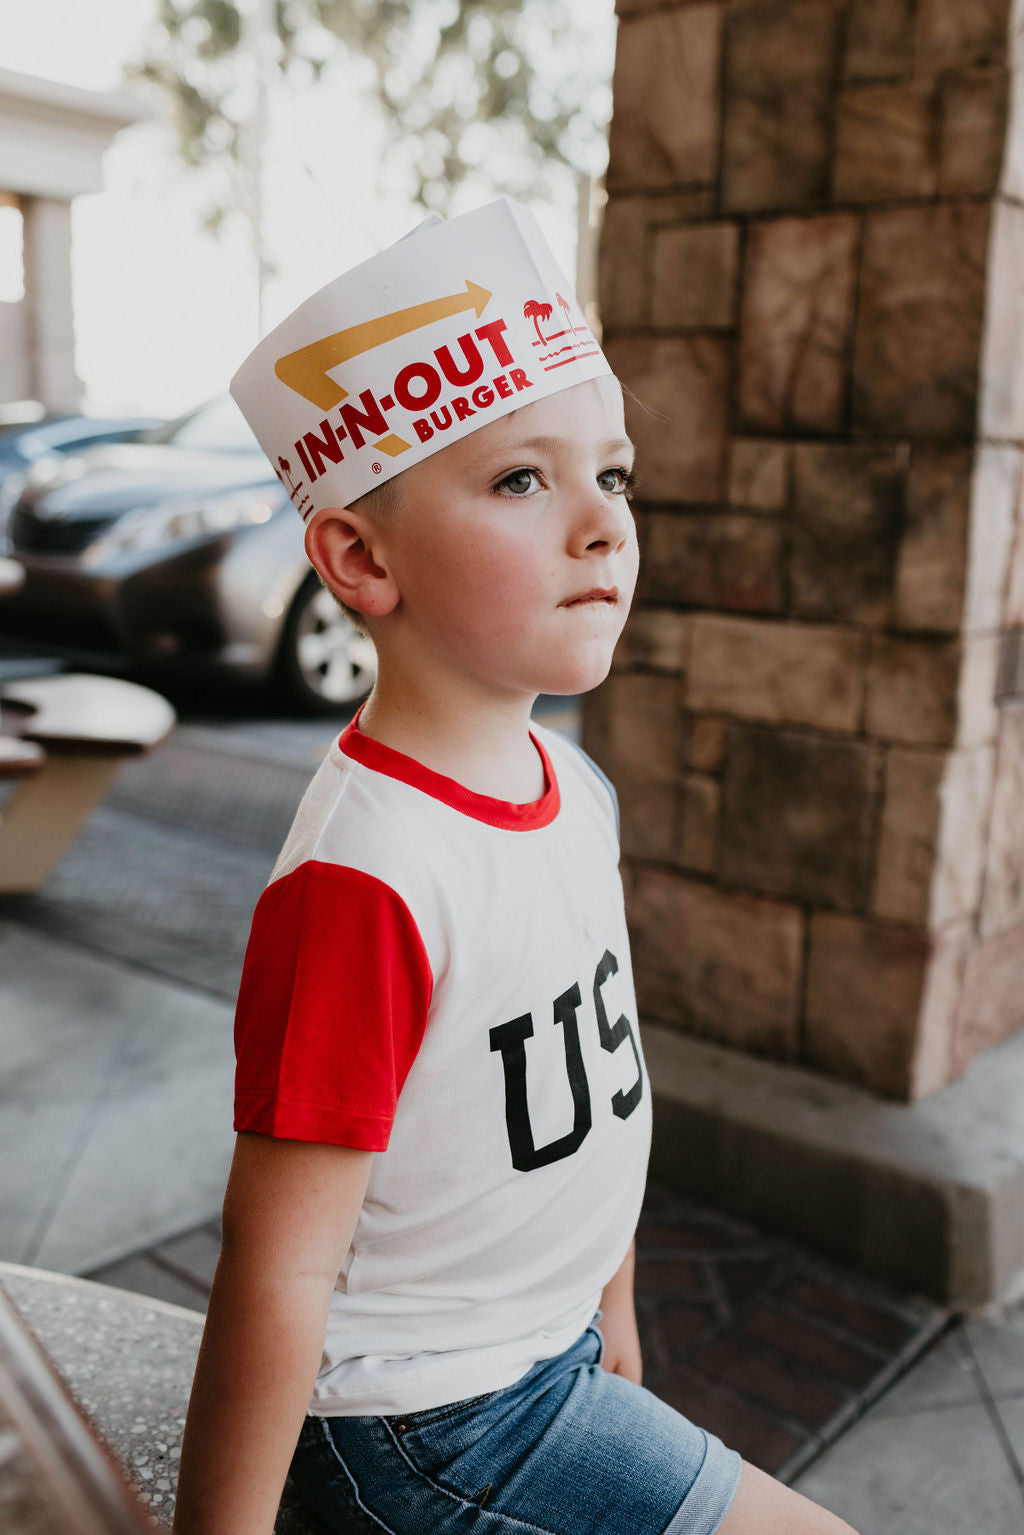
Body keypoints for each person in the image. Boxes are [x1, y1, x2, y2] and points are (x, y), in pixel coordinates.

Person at [172, 200, 858, 1535]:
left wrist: (612, 1308)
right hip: (421, 1425)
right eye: (521, 480)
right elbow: (277, 1268)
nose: (604, 525)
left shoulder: (576, 788)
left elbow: (596, 1083)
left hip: (540, 1356)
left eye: (615, 474)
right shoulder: (365, 881)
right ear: (361, 557)